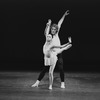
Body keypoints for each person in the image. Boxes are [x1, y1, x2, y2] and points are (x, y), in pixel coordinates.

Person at [49, 10, 69, 88]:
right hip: (53, 54)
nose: (53, 31)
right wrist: (48, 25)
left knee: (60, 67)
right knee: (48, 69)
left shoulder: (56, 34)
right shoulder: (49, 37)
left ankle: (62, 82)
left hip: (59, 52)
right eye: (52, 29)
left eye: (54, 29)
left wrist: (64, 15)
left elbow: (59, 23)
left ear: (56, 30)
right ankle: (39, 82)